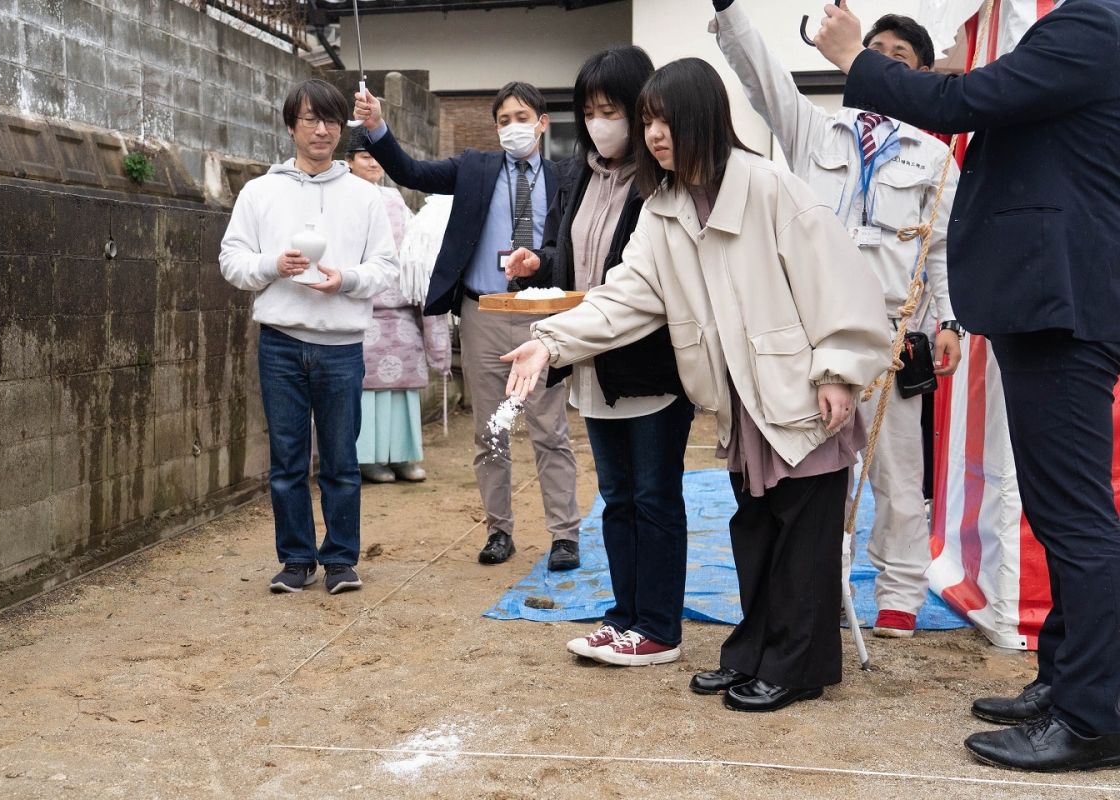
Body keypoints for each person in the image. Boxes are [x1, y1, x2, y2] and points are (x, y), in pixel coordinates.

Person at [504, 58, 891, 710]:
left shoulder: (772, 188)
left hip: (802, 392)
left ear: (706, 118)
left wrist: (841, 371)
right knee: (758, 530)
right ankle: (753, 654)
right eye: (648, 119)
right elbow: (623, 299)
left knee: (803, 538)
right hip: (744, 403)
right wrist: (548, 340)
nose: (655, 133)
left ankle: (797, 668)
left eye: (666, 118)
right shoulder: (665, 211)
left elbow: (841, 286)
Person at [815, 0, 1120, 772]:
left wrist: (857, 58)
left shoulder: (1094, 25)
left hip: (1065, 305)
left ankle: (1094, 716)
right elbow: (985, 90)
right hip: (1052, 301)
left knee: (1078, 520)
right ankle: (1066, 681)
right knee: (1062, 512)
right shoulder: (1087, 31)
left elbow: (962, 102)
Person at [710, 0, 964, 639]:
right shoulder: (814, 132)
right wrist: (727, 8)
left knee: (900, 477)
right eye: (871, 54)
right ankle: (808, 590)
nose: (880, 66)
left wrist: (952, 324)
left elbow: (943, 252)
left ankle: (900, 592)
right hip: (813, 340)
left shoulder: (936, 160)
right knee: (812, 477)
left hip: (892, 340)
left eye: (898, 61)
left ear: (923, 78)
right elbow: (761, 72)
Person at [504, 46, 694, 666]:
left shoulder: (664, 181)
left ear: (642, 113)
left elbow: (643, 285)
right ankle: (624, 614)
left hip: (648, 364)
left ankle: (659, 625)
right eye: (587, 111)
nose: (597, 123)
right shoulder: (580, 173)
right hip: (591, 361)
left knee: (654, 496)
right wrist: (541, 264)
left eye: (609, 110)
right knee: (615, 496)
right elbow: (573, 255)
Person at [352, 82, 582, 571]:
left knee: (549, 428)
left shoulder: (567, 175)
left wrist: (547, 271)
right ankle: (499, 530)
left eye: (522, 117)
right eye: (503, 120)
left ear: (543, 122)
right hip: (483, 314)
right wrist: (376, 128)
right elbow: (412, 172)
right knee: (491, 429)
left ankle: (565, 534)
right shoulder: (476, 168)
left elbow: (575, 245)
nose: (513, 127)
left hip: (544, 314)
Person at [219, 79, 399, 595]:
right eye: (309, 120)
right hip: (279, 341)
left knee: (341, 460)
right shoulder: (260, 191)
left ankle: (341, 559)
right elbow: (232, 260)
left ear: (342, 127)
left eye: (331, 121)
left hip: (341, 345)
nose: (321, 130)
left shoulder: (366, 197)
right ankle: (296, 559)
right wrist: (272, 265)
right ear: (291, 126)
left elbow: (385, 267)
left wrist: (347, 280)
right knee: (287, 460)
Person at [345, 128, 452, 485]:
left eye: (377, 156)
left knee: (402, 391)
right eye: (364, 156)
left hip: (402, 312)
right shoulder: (343, 197)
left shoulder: (394, 199)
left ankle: (404, 455)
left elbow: (415, 253)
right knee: (368, 393)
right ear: (349, 162)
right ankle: (368, 459)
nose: (373, 162)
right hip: (363, 312)